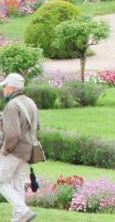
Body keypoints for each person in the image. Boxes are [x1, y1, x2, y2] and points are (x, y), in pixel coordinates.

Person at [0, 72, 40, 222]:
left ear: (11, 88)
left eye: (5, 87)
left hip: (13, 151)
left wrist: (5, 149)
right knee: (17, 184)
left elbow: (13, 134)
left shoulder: (12, 106)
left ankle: (22, 210)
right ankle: (18, 219)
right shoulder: (30, 102)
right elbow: (37, 127)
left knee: (1, 181)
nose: (4, 90)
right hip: (28, 151)